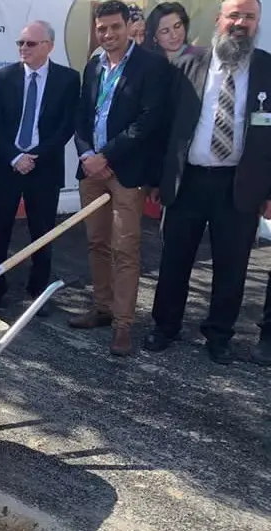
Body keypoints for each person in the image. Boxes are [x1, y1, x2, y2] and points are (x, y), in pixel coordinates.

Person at [144, 0, 271, 365]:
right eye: (234, 15)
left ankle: (219, 336)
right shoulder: (187, 66)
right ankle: (165, 327)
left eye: (248, 17)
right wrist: (157, 178)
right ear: (219, 20)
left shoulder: (266, 69)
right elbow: (163, 129)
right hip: (189, 182)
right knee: (174, 260)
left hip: (240, 184)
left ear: (257, 22)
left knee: (232, 266)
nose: (240, 23)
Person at [70, 0, 168, 356]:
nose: (108, 34)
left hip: (125, 172)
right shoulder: (93, 64)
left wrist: (106, 156)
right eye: (102, 28)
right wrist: (87, 156)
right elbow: (81, 115)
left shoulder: (151, 65)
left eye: (114, 27)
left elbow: (146, 122)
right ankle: (103, 308)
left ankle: (123, 324)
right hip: (91, 169)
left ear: (128, 26)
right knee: (96, 242)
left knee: (124, 248)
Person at [0, 21, 80, 315]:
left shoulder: (68, 79)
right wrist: (14, 157)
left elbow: (66, 127)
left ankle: (38, 291)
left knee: (42, 233)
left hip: (44, 167)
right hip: (5, 166)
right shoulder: (4, 75)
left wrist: (34, 156)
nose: (23, 49)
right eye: (20, 43)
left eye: (30, 44)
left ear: (48, 46)